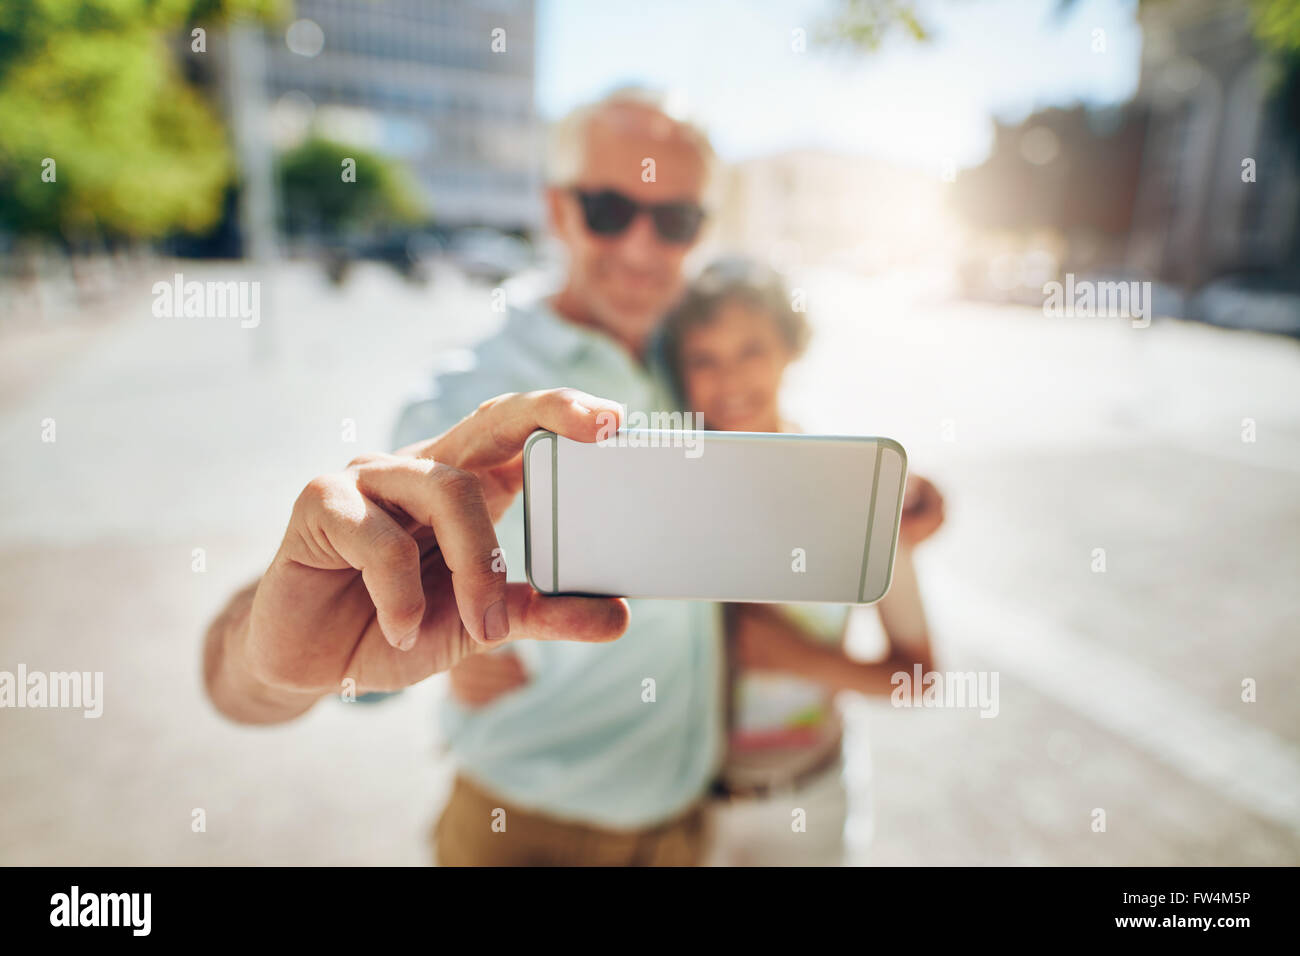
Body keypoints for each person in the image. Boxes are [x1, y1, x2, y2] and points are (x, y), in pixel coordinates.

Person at [661, 257, 944, 865]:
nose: (728, 379)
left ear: (791, 350)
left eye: (751, 350)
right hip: (683, 810)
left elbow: (918, 677)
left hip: (808, 802)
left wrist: (801, 658)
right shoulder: (663, 492)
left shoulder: (853, 490)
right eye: (702, 359)